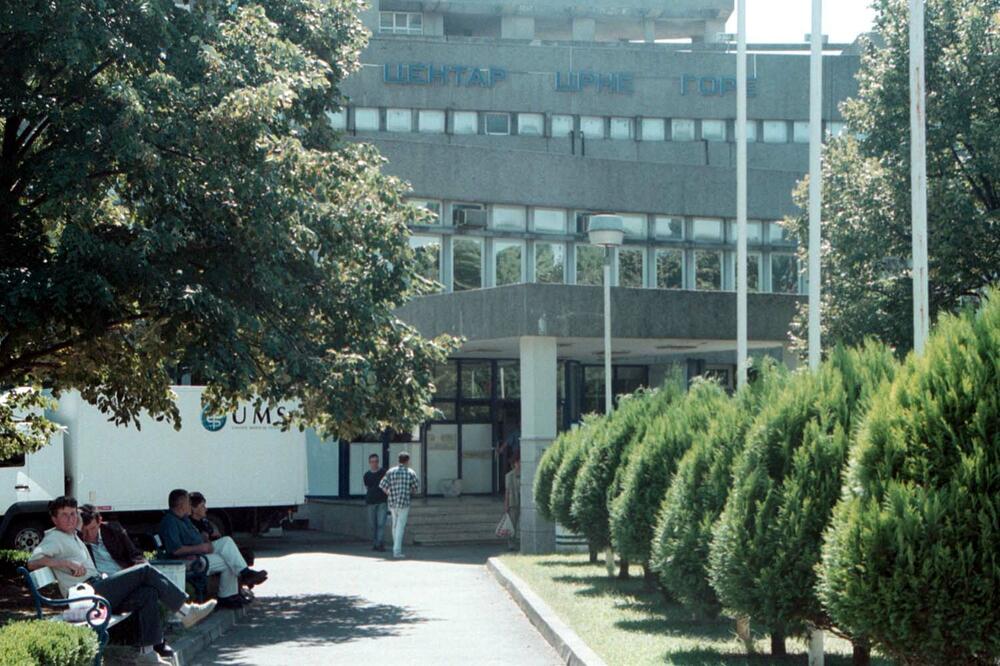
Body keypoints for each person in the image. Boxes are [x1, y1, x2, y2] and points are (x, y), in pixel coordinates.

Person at [29, 496, 216, 665]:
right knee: (144, 570)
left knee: (147, 593)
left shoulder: (72, 533)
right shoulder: (54, 537)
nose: (71, 518)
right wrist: (64, 562)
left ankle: (147, 654)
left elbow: (82, 514)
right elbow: (32, 562)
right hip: (88, 595)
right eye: (64, 515)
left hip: (96, 589)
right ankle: (185, 610)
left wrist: (76, 512)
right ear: (54, 519)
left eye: (72, 514)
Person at [158, 489, 267, 608]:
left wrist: (204, 539)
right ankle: (229, 595)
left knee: (226, 542)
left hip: (200, 552)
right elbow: (175, 550)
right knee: (229, 560)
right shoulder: (170, 522)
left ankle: (240, 581)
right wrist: (200, 548)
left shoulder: (184, 519)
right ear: (181, 505)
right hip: (188, 559)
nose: (190, 505)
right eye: (189, 502)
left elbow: (195, 538)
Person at [379, 452, 420, 559]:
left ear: (398, 460)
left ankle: (395, 547)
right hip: (404, 502)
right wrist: (408, 491)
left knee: (395, 525)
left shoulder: (390, 471)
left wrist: (389, 492)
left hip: (392, 501)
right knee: (400, 527)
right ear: (407, 461)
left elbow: (382, 485)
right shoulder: (410, 472)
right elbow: (415, 488)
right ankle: (397, 551)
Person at [363, 454, 388, 552]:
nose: (374, 463)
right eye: (372, 462)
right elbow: (367, 487)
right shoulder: (367, 475)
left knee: (381, 523)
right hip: (371, 501)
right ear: (369, 463)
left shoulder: (383, 472)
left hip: (382, 501)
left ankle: (379, 544)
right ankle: (375, 543)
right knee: (372, 525)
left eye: (376, 461)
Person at [503, 455, 521, 551]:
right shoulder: (509, 475)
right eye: (518, 462)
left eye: (521, 462)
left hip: (523, 502)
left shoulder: (526, 474)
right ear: (514, 464)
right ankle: (511, 543)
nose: (520, 464)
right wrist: (506, 504)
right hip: (513, 502)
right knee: (512, 524)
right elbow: (507, 491)